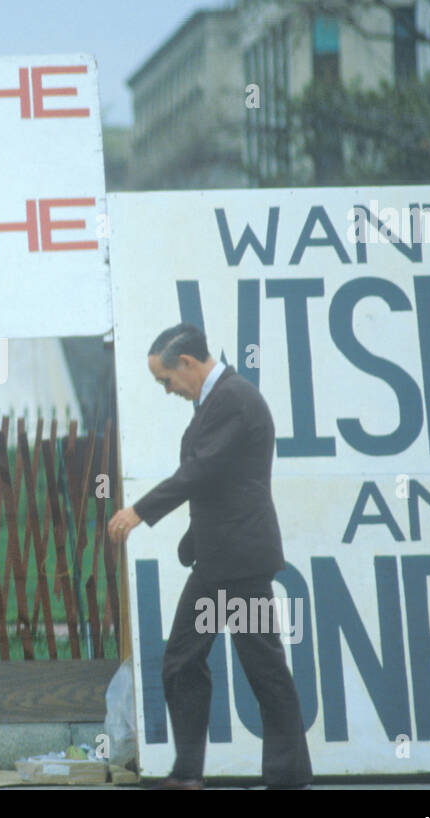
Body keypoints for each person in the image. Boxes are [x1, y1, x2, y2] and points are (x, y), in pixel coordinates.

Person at [107, 323, 313, 790]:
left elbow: (201, 471)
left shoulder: (234, 399)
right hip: (218, 562)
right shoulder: (219, 400)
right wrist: (192, 538)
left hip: (240, 565)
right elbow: (219, 480)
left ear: (188, 362)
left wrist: (141, 510)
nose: (167, 391)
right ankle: (188, 773)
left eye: (166, 380)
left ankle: (287, 777)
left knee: (263, 670)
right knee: (181, 661)